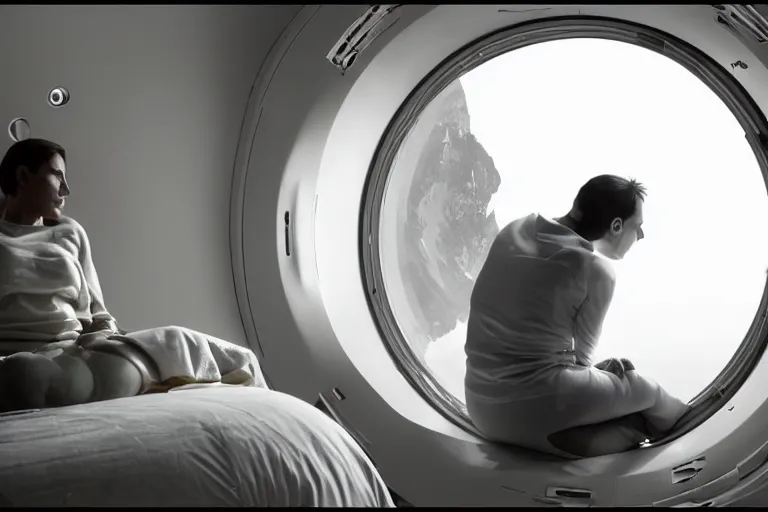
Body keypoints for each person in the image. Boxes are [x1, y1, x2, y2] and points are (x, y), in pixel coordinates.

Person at [0, 139, 264, 412]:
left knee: (197, 345)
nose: (66, 189)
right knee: (24, 374)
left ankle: (280, 406)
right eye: (57, 176)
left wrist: (110, 340)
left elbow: (97, 313)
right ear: (22, 176)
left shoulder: (70, 232)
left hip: (74, 348)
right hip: (15, 353)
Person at [464, 175, 690, 458]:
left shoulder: (515, 228)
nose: (641, 236)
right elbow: (582, 360)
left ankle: (575, 437)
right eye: (638, 227)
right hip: (539, 401)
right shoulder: (595, 270)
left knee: (611, 411)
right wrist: (605, 377)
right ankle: (685, 427)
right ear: (616, 226)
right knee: (645, 390)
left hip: (480, 407)